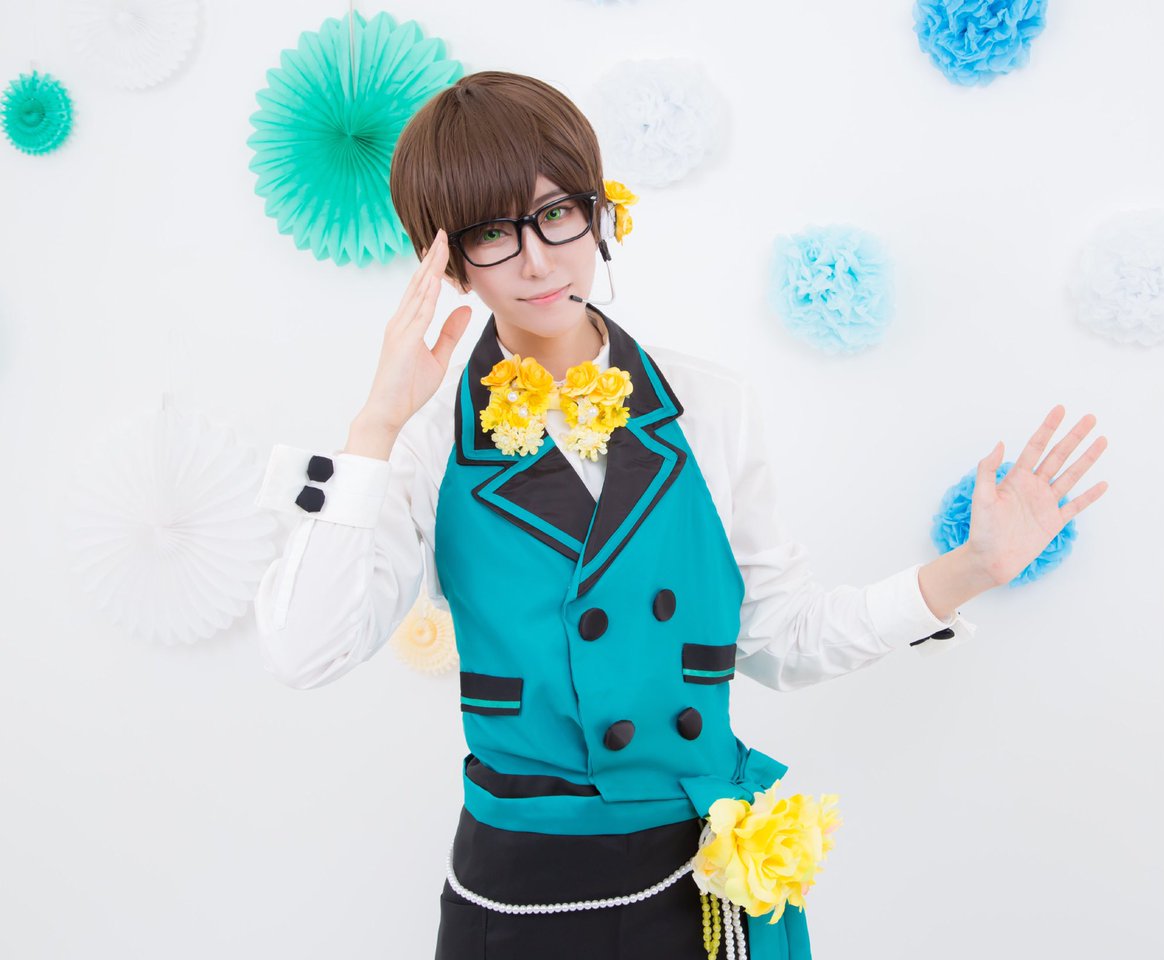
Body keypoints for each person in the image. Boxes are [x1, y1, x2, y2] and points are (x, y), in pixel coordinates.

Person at [252, 71, 1109, 960]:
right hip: (521, 892)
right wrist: (376, 424)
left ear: (599, 212)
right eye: (494, 233)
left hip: (697, 877)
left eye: (557, 214)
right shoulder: (424, 439)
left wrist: (972, 569)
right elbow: (304, 652)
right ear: (446, 260)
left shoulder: (710, 404)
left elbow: (782, 638)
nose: (539, 260)